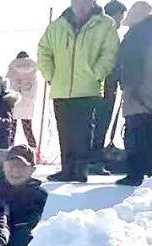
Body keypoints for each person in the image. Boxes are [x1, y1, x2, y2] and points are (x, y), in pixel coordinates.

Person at [37, 0, 120, 182]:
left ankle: (80, 170)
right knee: (64, 130)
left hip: (87, 88)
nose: (80, 5)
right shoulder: (57, 26)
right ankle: (66, 169)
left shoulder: (105, 24)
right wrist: (51, 76)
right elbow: (44, 51)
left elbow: (109, 53)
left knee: (83, 132)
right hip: (61, 88)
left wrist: (96, 74)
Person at [114, 2, 152, 186]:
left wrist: (128, 88)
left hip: (139, 97)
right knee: (151, 137)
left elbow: (130, 69)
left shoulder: (135, 38)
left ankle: (135, 175)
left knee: (134, 137)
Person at [90, 1, 128, 172]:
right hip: (105, 86)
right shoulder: (109, 31)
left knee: (95, 124)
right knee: (100, 123)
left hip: (98, 86)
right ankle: (94, 160)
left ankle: (92, 159)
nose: (121, 21)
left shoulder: (93, 29)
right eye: (121, 17)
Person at [7, 51, 40, 147]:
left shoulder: (12, 67)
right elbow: (35, 88)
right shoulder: (33, 69)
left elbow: (11, 86)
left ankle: (9, 149)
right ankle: (34, 150)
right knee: (28, 129)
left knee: (11, 129)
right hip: (27, 103)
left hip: (15, 101)